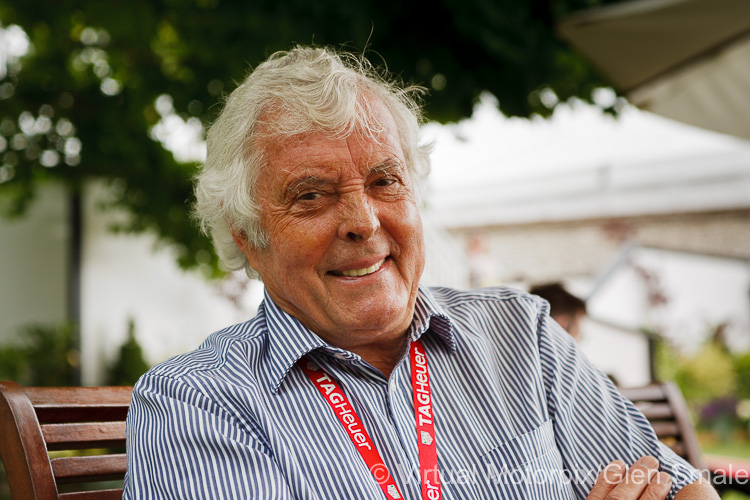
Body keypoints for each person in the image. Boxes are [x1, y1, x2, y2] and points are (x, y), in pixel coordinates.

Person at [123, 46, 717, 499]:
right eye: (310, 195)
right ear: (247, 239)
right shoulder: (196, 402)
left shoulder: (521, 336)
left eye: (385, 181)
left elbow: (681, 488)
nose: (362, 221)